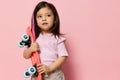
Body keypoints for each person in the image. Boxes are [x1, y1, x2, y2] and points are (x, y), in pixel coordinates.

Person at [23, 1, 68, 80]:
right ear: (36, 22)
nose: (44, 19)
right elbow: (25, 55)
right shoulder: (34, 38)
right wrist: (30, 49)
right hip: (37, 73)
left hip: (53, 74)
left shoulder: (57, 38)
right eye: (40, 16)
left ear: (55, 19)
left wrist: (49, 68)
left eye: (48, 15)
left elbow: (63, 57)